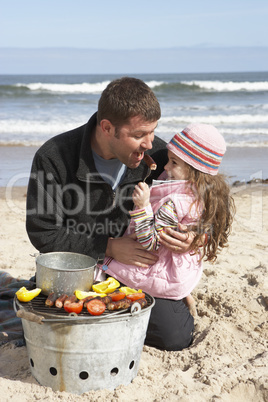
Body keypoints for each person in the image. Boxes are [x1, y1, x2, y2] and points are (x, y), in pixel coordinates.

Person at [26, 77, 194, 349]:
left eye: (152, 132)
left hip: (138, 270)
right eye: (139, 135)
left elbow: (200, 199)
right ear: (107, 128)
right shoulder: (54, 157)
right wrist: (109, 247)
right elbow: (43, 232)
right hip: (79, 268)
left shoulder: (162, 155)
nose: (149, 144)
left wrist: (196, 237)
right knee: (62, 333)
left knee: (175, 337)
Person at [99, 123, 235, 351]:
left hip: (149, 265)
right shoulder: (206, 193)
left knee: (106, 282)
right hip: (176, 268)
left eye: (174, 162)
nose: (166, 166)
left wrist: (142, 207)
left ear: (195, 170)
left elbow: (150, 243)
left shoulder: (174, 203)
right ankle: (179, 296)